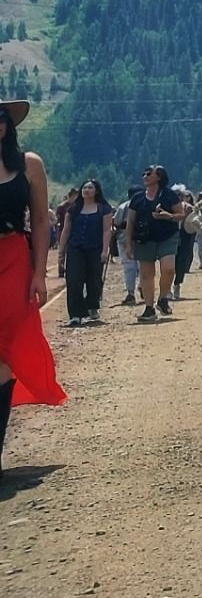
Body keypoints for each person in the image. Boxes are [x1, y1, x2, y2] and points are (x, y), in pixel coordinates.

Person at [0, 99, 65, 480]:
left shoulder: (29, 165)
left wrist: (39, 272)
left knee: (6, 353)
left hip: (13, 258)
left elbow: (41, 221)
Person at [128, 166, 185, 323]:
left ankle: (162, 298)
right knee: (147, 274)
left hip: (167, 236)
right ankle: (149, 308)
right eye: (144, 174)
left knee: (169, 268)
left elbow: (181, 215)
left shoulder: (169, 195)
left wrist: (168, 216)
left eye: (149, 174)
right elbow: (130, 222)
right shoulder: (137, 198)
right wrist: (128, 243)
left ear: (159, 177)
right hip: (145, 238)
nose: (145, 176)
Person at [56, 179, 111, 327]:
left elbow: (107, 230)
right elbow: (66, 230)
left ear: (96, 191)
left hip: (95, 248)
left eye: (90, 188)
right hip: (75, 248)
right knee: (73, 280)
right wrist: (61, 252)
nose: (87, 190)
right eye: (85, 187)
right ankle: (75, 314)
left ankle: (92, 305)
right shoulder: (73, 209)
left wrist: (105, 250)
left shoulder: (104, 208)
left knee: (94, 280)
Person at [112, 189, 139, 306]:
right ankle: (143, 285)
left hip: (123, 236)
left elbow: (116, 221)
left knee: (128, 266)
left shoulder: (123, 206)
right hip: (141, 236)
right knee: (142, 264)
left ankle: (131, 293)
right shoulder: (143, 204)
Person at [171, 184, 196, 299]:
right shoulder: (167, 206)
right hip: (170, 235)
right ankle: (167, 287)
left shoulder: (189, 207)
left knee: (181, 260)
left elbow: (195, 220)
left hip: (185, 235)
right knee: (170, 262)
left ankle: (177, 284)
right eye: (175, 194)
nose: (178, 196)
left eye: (180, 194)